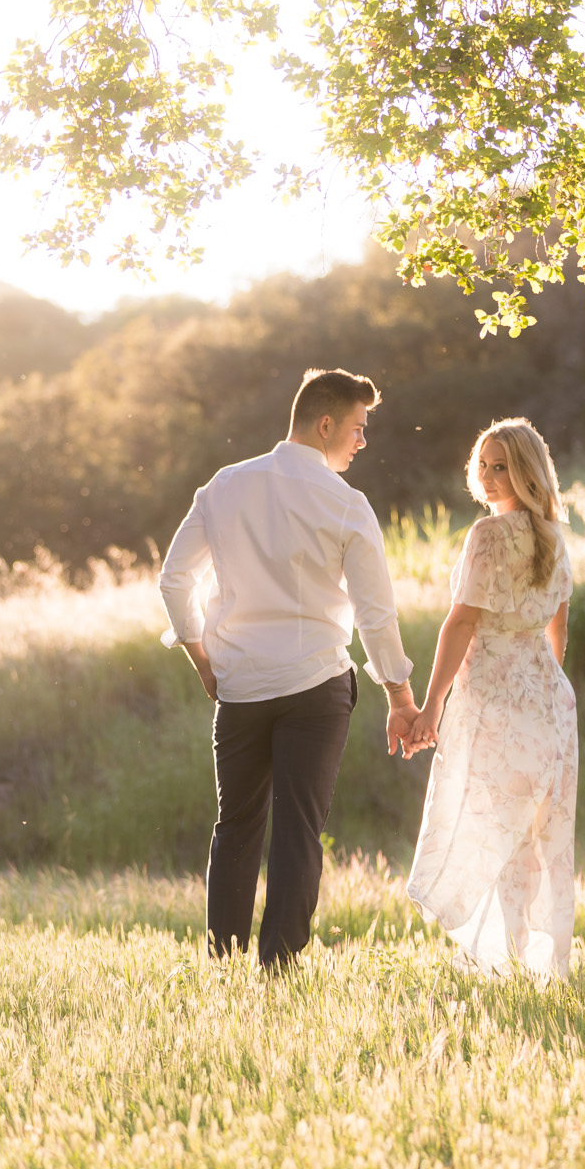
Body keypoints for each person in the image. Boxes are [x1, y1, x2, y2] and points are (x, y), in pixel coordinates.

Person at [159, 368, 419, 969]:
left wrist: (201, 657)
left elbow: (175, 578)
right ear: (325, 424)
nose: (361, 441)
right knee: (298, 830)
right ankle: (278, 971)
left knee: (237, 826)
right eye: (357, 428)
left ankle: (223, 965)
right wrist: (401, 699)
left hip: (240, 686)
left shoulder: (223, 486)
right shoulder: (347, 505)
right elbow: (375, 616)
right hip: (315, 687)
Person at [402, 417, 577, 980]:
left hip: (497, 696)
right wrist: (544, 686)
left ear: (527, 471)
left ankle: (506, 960)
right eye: (483, 464)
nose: (489, 475)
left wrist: (430, 707)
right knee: (529, 832)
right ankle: (521, 955)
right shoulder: (554, 534)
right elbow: (558, 632)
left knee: (492, 825)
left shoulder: (488, 535)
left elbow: (460, 624)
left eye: (502, 465)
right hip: (548, 700)